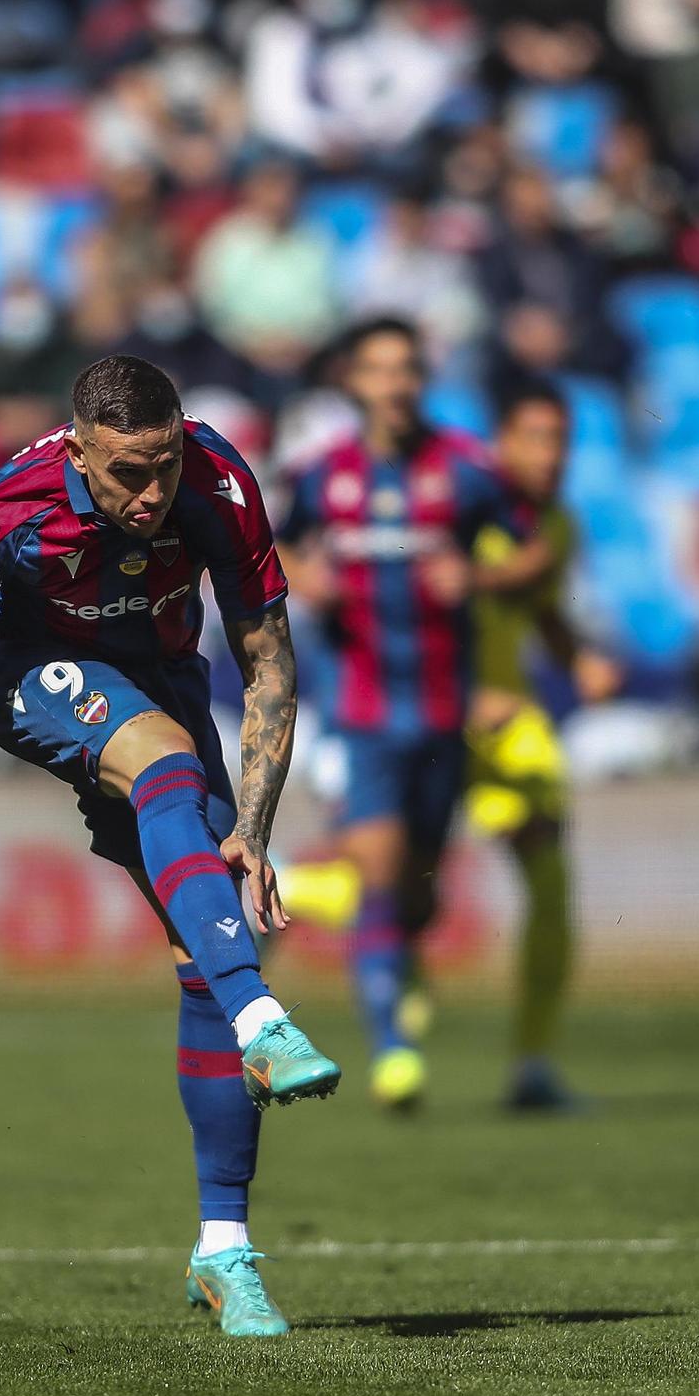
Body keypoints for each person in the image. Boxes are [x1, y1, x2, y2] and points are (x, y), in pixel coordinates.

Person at [0, 355, 340, 1338]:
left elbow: (269, 660)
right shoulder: (7, 508)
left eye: (163, 469)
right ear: (77, 446)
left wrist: (257, 830)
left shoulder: (219, 485)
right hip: (32, 678)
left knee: (206, 949)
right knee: (169, 771)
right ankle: (264, 1023)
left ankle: (223, 1251)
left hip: (168, 683)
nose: (151, 494)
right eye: (126, 474)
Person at [284, 377, 621, 1111]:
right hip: (426, 713)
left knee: (550, 885)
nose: (551, 456)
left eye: (562, 440)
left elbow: (539, 607)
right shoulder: (457, 504)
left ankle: (534, 1064)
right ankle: (291, 890)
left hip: (508, 732)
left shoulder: (553, 526)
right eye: (535, 438)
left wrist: (577, 659)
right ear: (499, 445)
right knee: (403, 893)